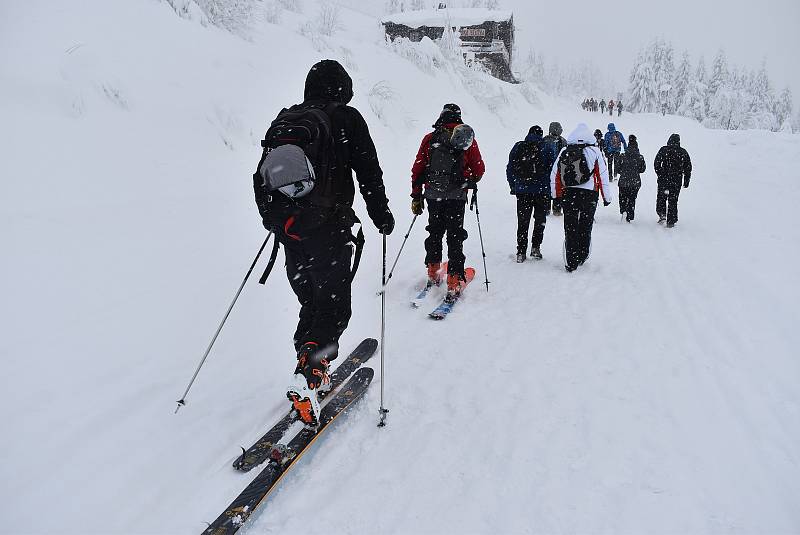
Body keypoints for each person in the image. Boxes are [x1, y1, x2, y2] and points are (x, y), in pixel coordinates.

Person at [253, 60, 394, 425]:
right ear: (342, 88)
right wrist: (380, 214)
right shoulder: (345, 119)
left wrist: (283, 220)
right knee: (333, 308)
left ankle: (306, 360)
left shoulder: (287, 120)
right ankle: (312, 370)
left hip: (289, 231)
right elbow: (369, 172)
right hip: (327, 229)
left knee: (312, 302)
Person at [411, 103, 485, 295]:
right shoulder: (467, 139)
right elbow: (479, 170)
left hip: (433, 196)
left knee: (434, 231)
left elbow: (417, 169)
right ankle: (454, 279)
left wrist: (416, 195)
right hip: (456, 197)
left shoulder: (430, 139)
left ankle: (433, 271)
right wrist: (466, 178)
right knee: (455, 236)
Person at [550, 123, 612, 272]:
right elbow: (603, 176)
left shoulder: (565, 150)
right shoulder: (595, 151)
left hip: (569, 193)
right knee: (585, 225)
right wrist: (606, 197)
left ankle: (571, 261)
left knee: (570, 227)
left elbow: (555, 175)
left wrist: (555, 195)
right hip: (589, 194)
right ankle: (582, 255)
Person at [507, 125, 557, 262]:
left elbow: (510, 168)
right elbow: (553, 169)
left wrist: (514, 186)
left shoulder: (518, 146)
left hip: (523, 190)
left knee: (523, 222)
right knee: (540, 220)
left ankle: (520, 252)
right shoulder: (547, 147)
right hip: (542, 191)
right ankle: (535, 248)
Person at [654, 133, 692, 228]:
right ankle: (671, 220)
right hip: (676, 180)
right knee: (673, 200)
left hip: (664, 180)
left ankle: (662, 215)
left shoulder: (664, 150)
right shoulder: (683, 152)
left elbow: (656, 163)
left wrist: (660, 173)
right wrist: (686, 180)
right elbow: (688, 168)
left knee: (661, 197)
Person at [616, 134, 646, 222]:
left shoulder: (622, 156)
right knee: (632, 198)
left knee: (622, 197)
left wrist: (624, 171)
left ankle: (623, 211)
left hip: (623, 182)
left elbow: (618, 170)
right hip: (635, 182)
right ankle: (630, 214)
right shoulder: (640, 157)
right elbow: (642, 169)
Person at [543, 122, 567, 216]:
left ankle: (546, 208)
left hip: (546, 169)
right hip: (559, 169)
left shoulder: (544, 140)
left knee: (547, 188)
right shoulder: (563, 140)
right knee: (558, 188)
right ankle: (557, 209)